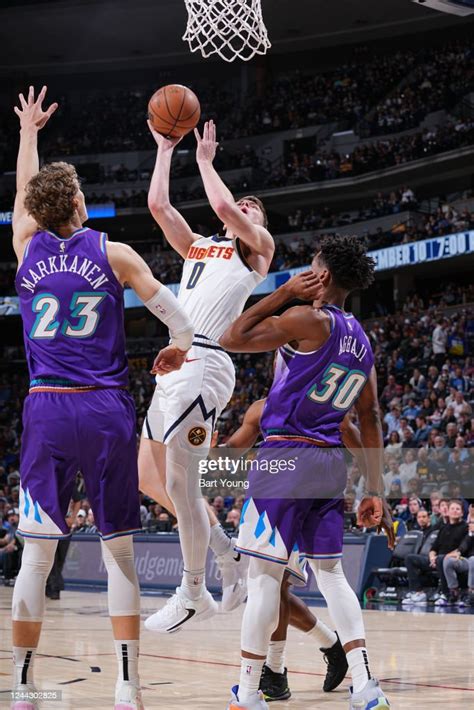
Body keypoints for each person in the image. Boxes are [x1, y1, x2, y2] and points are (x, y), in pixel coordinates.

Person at [10, 86, 194, 710]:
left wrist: (28, 134)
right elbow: (182, 325)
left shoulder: (25, 248)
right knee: (118, 553)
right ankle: (127, 688)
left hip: (46, 408)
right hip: (106, 408)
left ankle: (21, 682)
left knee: (35, 558)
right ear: (79, 205)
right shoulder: (114, 253)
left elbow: (21, 196)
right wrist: (174, 349)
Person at [220, 235, 393, 710]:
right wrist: (376, 488)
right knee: (332, 575)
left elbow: (230, 337)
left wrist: (281, 294)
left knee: (261, 579)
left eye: (312, 268)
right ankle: (364, 686)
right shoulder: (362, 341)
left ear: (325, 275)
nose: (306, 273)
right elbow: (371, 416)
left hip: (285, 455)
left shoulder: (306, 319)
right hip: (329, 461)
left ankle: (250, 691)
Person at [140, 120, 275, 632]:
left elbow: (222, 207)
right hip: (174, 361)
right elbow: (159, 207)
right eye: (241, 203)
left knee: (183, 481)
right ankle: (227, 554)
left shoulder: (257, 249)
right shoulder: (201, 246)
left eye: (252, 206)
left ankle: (192, 590)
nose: (242, 207)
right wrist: (164, 150)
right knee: (150, 479)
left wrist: (204, 161)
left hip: (206, 363)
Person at [223, 398, 359, 701]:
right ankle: (330, 645)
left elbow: (351, 432)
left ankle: (275, 670)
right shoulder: (261, 407)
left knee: (277, 584)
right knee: (274, 587)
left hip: (310, 490)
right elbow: (231, 449)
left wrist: (372, 483)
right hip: (276, 488)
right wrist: (199, 449)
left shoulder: (326, 401)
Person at [404, 499, 467, 606]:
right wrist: (432, 557)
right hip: (437, 559)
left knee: (442, 559)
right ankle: (418, 592)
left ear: (462, 512)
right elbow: (434, 547)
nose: (455, 511)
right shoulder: (443, 528)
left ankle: (446, 594)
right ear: (448, 511)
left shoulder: (465, 527)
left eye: (458, 509)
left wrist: (438, 558)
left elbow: (462, 548)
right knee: (409, 558)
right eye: (452, 508)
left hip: (455, 560)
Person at [442, 508, 474, 606]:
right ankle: (454, 592)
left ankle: (471, 593)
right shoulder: (471, 530)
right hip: (468, 560)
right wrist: (458, 552)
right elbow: (466, 542)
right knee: (448, 560)